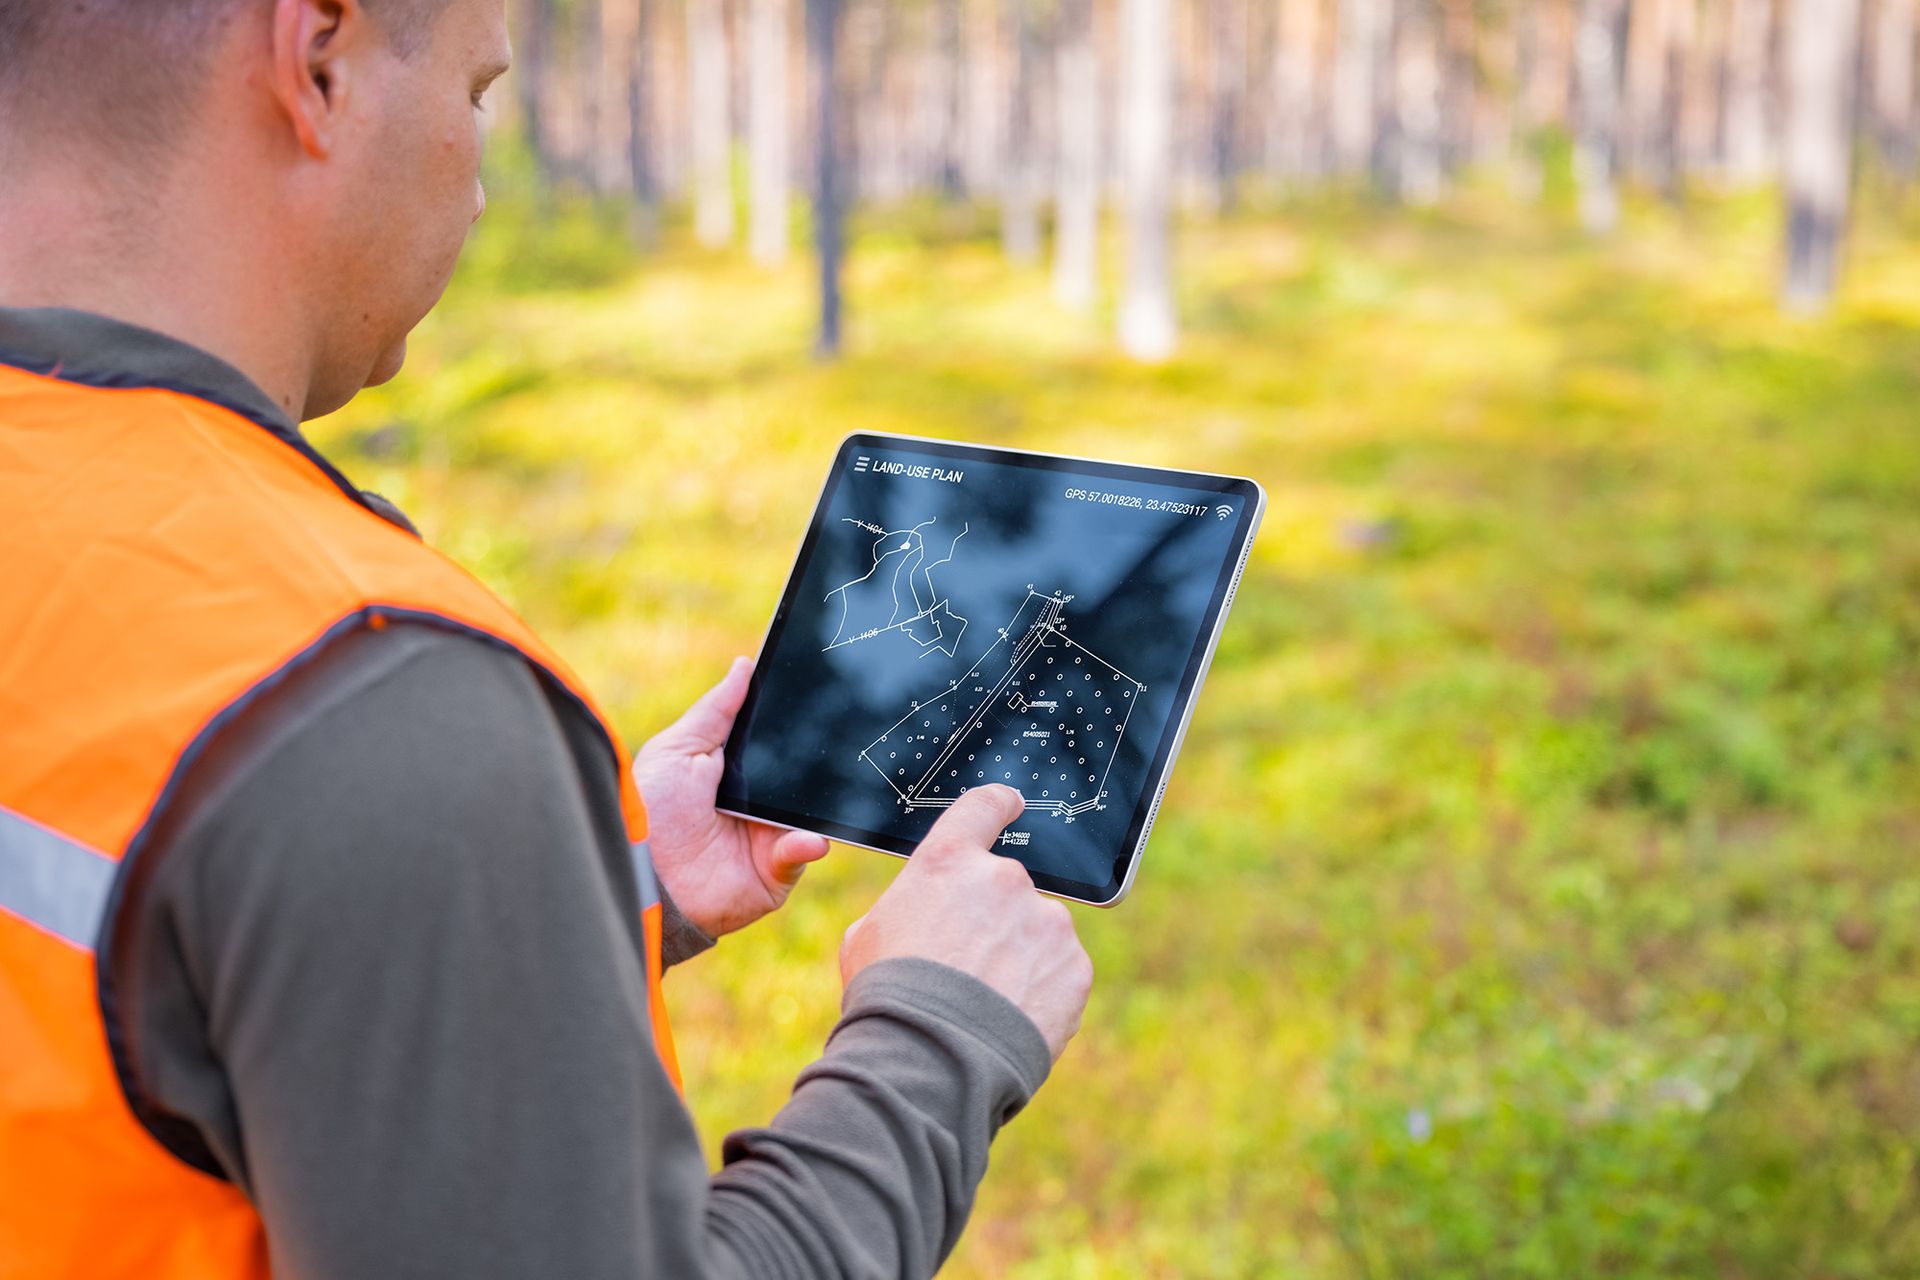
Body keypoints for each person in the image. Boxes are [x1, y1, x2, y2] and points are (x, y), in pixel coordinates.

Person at [0, 0, 1094, 1275]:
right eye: (474, 93)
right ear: (318, 60)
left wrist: (579, 887)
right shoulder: (361, 698)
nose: (476, 181)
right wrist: (938, 1031)